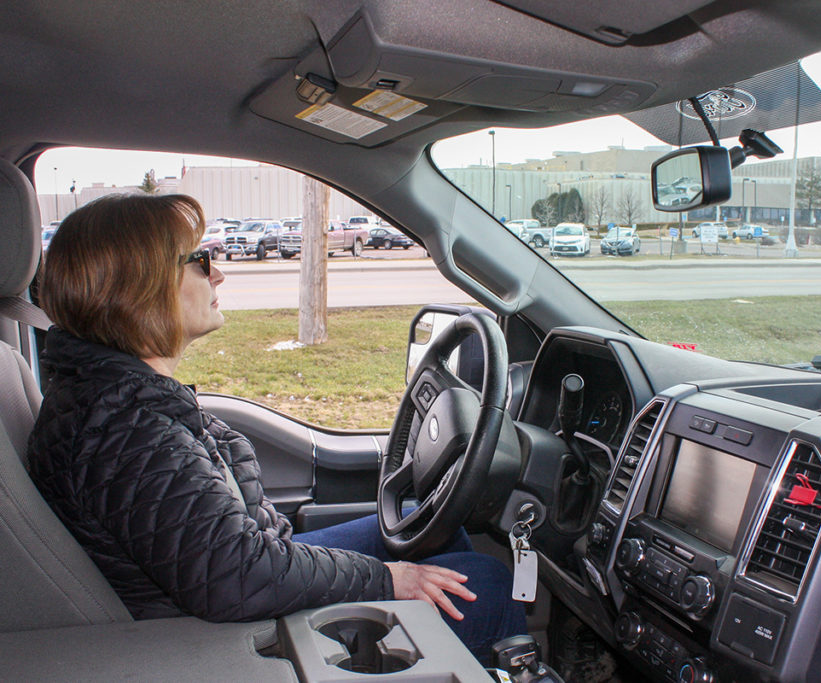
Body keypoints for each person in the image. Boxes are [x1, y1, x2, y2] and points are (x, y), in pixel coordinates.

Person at [27, 193, 525, 662]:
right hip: (223, 634)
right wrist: (386, 580)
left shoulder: (114, 397)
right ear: (140, 290)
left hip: (228, 576)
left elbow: (215, 544)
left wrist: (387, 574)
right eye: (199, 262)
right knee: (487, 583)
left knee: (432, 526)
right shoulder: (125, 431)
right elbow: (234, 576)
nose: (217, 274)